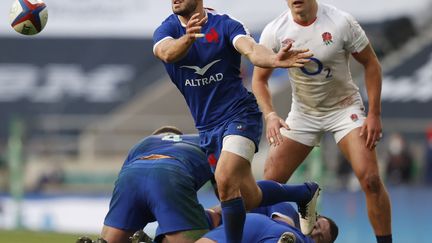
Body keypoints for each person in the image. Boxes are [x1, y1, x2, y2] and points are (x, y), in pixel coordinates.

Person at [153, 1, 314, 243]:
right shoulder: (166, 31)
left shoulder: (226, 25)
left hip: (239, 115)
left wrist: (273, 59)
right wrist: (187, 39)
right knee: (249, 198)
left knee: (225, 178)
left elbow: (250, 49)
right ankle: (304, 193)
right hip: (207, 128)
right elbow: (166, 52)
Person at [251, 1, 392, 242]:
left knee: (371, 180)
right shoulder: (275, 31)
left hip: (344, 109)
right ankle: (263, 236)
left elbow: (372, 64)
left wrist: (374, 114)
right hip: (304, 114)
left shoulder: (341, 22)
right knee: (268, 184)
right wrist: (271, 114)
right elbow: (259, 80)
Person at [101, 126, 213, 243]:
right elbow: (226, 193)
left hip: (130, 176)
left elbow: (122, 180)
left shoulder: (144, 142)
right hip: (171, 174)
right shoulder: (203, 141)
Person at [198, 202, 338, 243]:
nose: (314, 232)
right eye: (317, 226)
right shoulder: (286, 211)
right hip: (214, 225)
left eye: (320, 237)